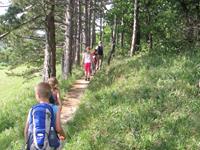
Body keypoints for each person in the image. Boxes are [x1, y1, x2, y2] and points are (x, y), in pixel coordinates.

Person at [24, 82, 66, 150]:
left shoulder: (32, 110)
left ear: (37, 95)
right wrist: (63, 136)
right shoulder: (56, 108)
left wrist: (27, 143)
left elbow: (26, 131)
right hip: (50, 145)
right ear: (50, 95)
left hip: (34, 146)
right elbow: (58, 128)